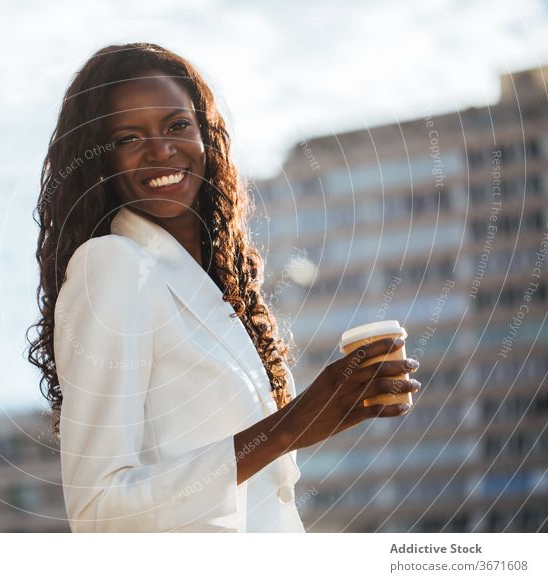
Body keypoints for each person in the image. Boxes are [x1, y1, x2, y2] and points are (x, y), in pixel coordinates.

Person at [26, 42, 420, 532]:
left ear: (205, 135)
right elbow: (98, 509)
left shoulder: (209, 286)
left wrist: (331, 409)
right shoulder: (112, 265)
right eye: (129, 138)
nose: (161, 149)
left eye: (177, 126)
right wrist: (288, 427)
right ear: (99, 163)